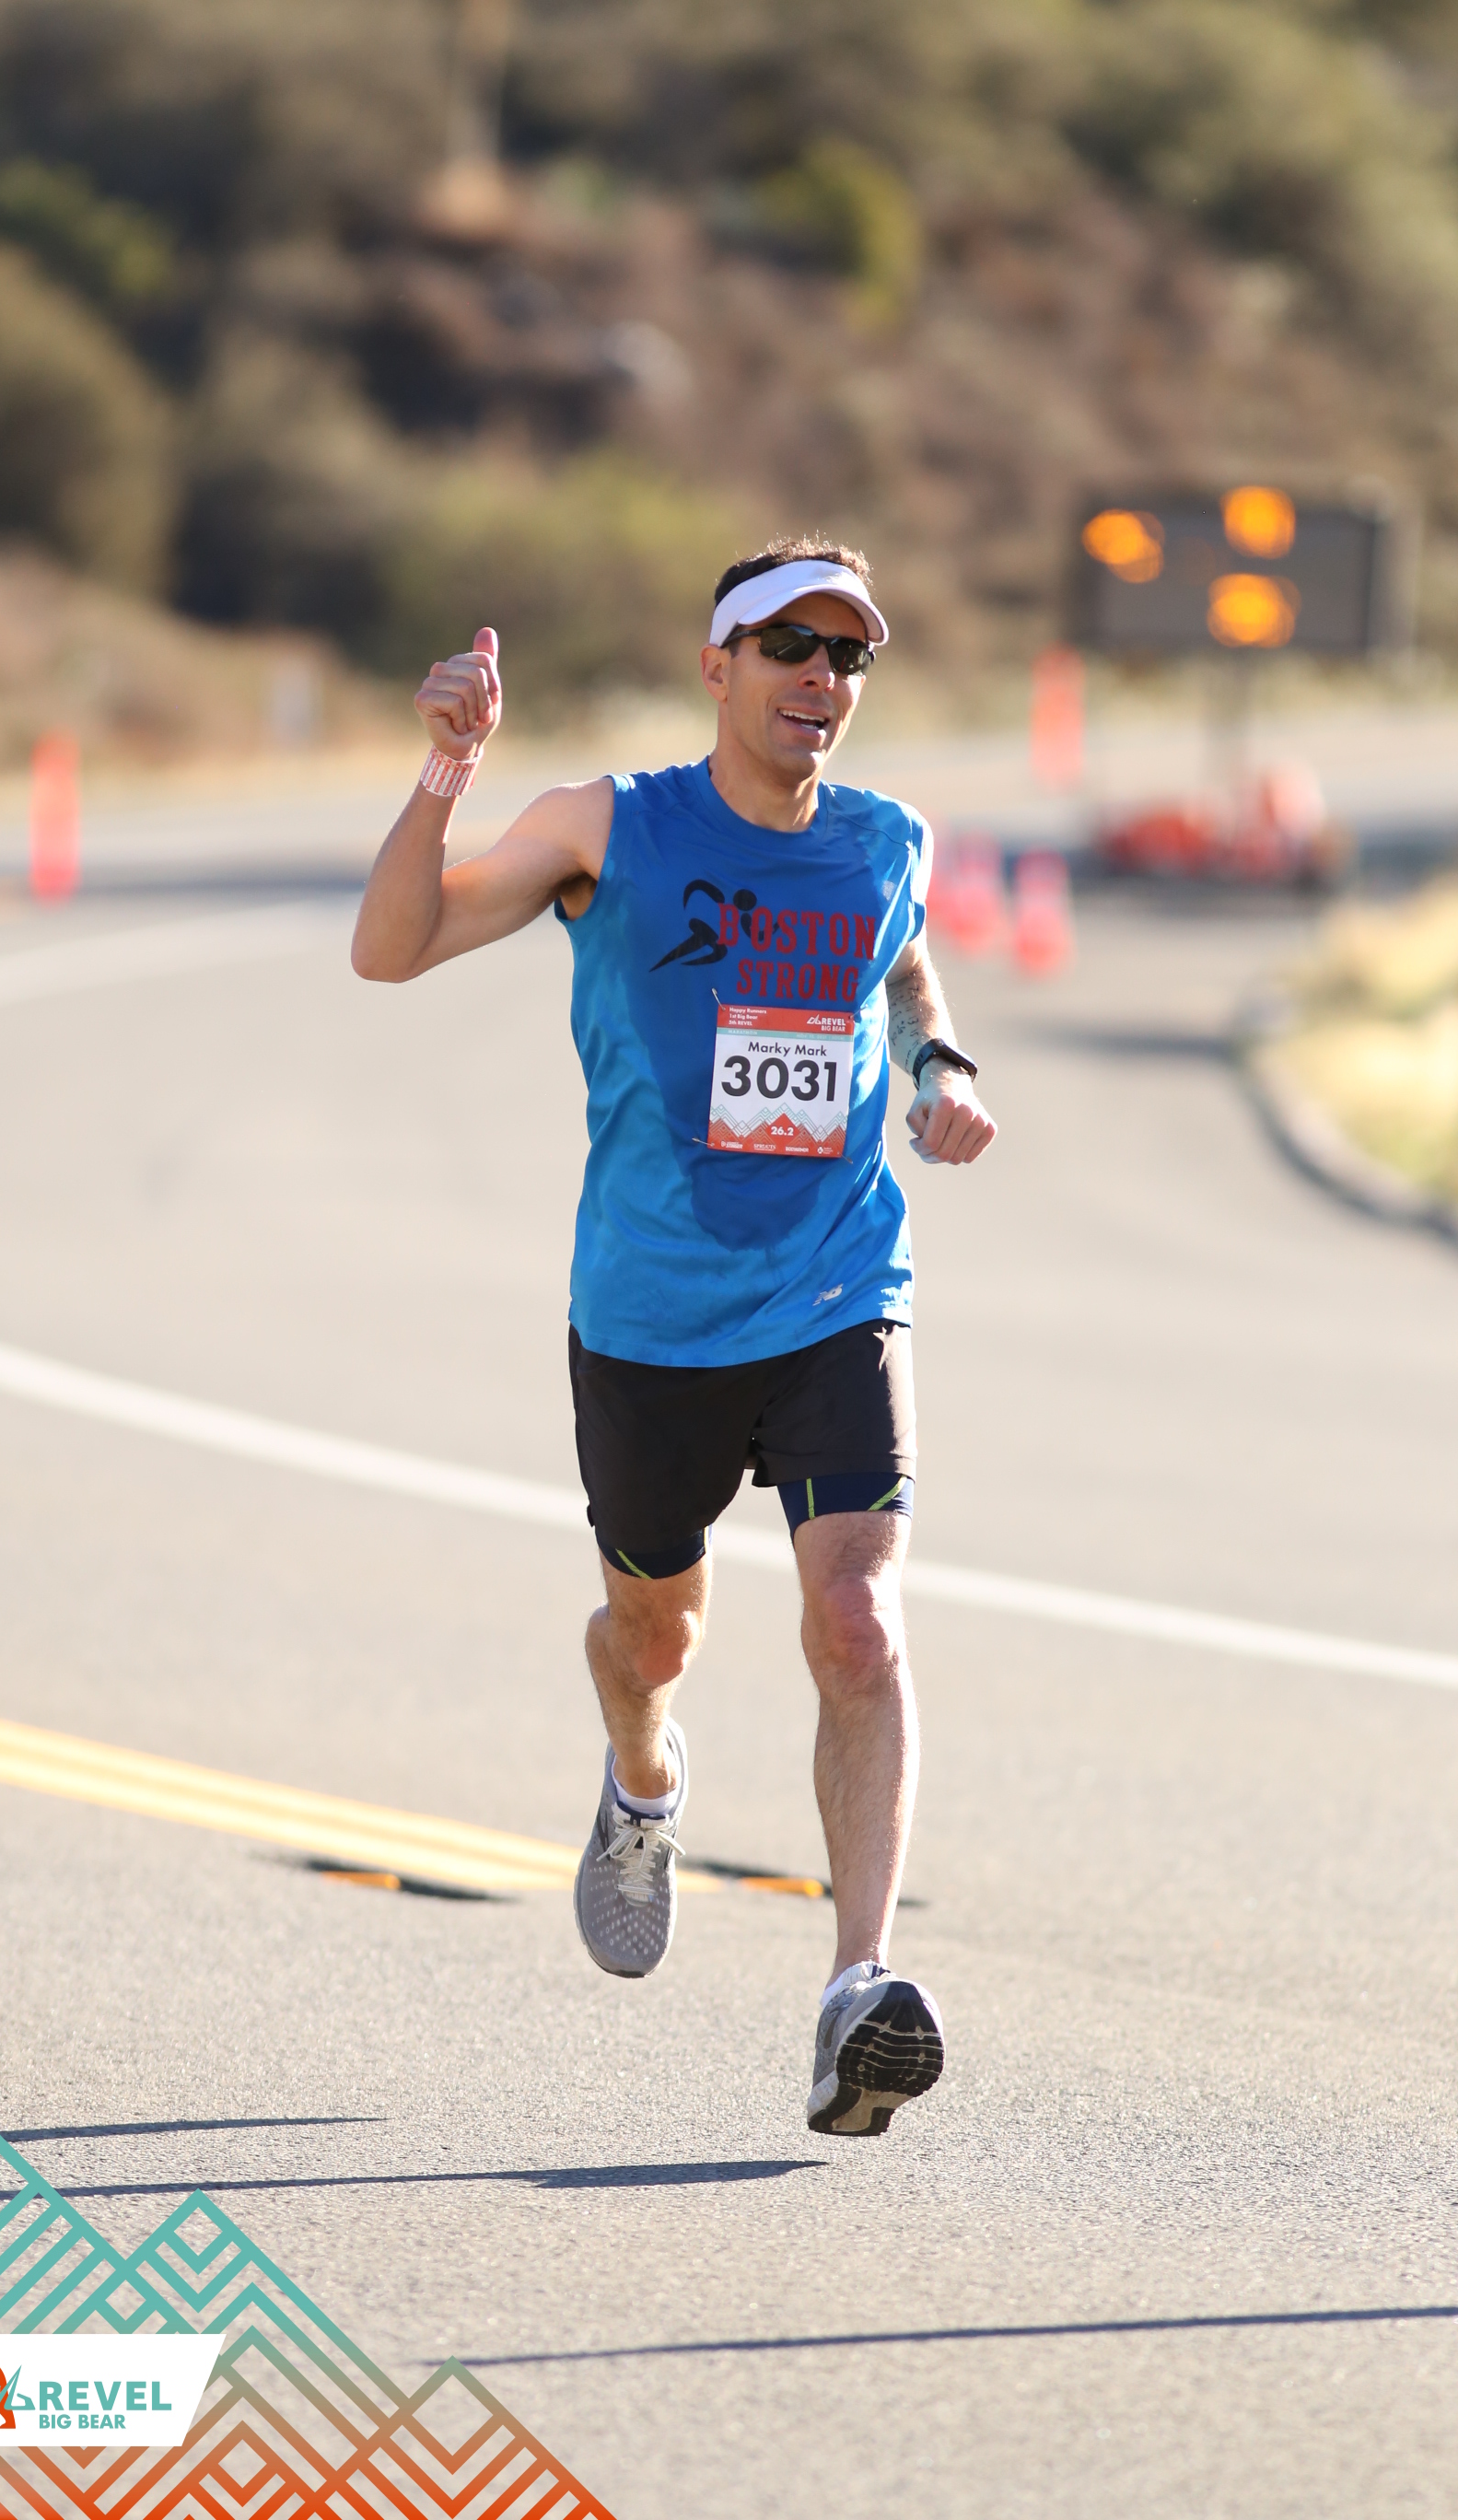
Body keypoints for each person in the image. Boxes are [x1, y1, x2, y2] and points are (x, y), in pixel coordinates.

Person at [353, 537, 997, 2137]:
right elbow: (392, 946)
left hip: (838, 1286)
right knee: (654, 1638)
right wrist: (446, 774)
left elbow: (905, 960)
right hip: (649, 1317)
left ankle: (857, 1990)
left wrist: (940, 1065)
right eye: (790, 647)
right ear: (719, 665)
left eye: (848, 656)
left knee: (860, 1624)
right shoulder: (608, 828)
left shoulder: (885, 842)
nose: (821, 679)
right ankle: (642, 1778)